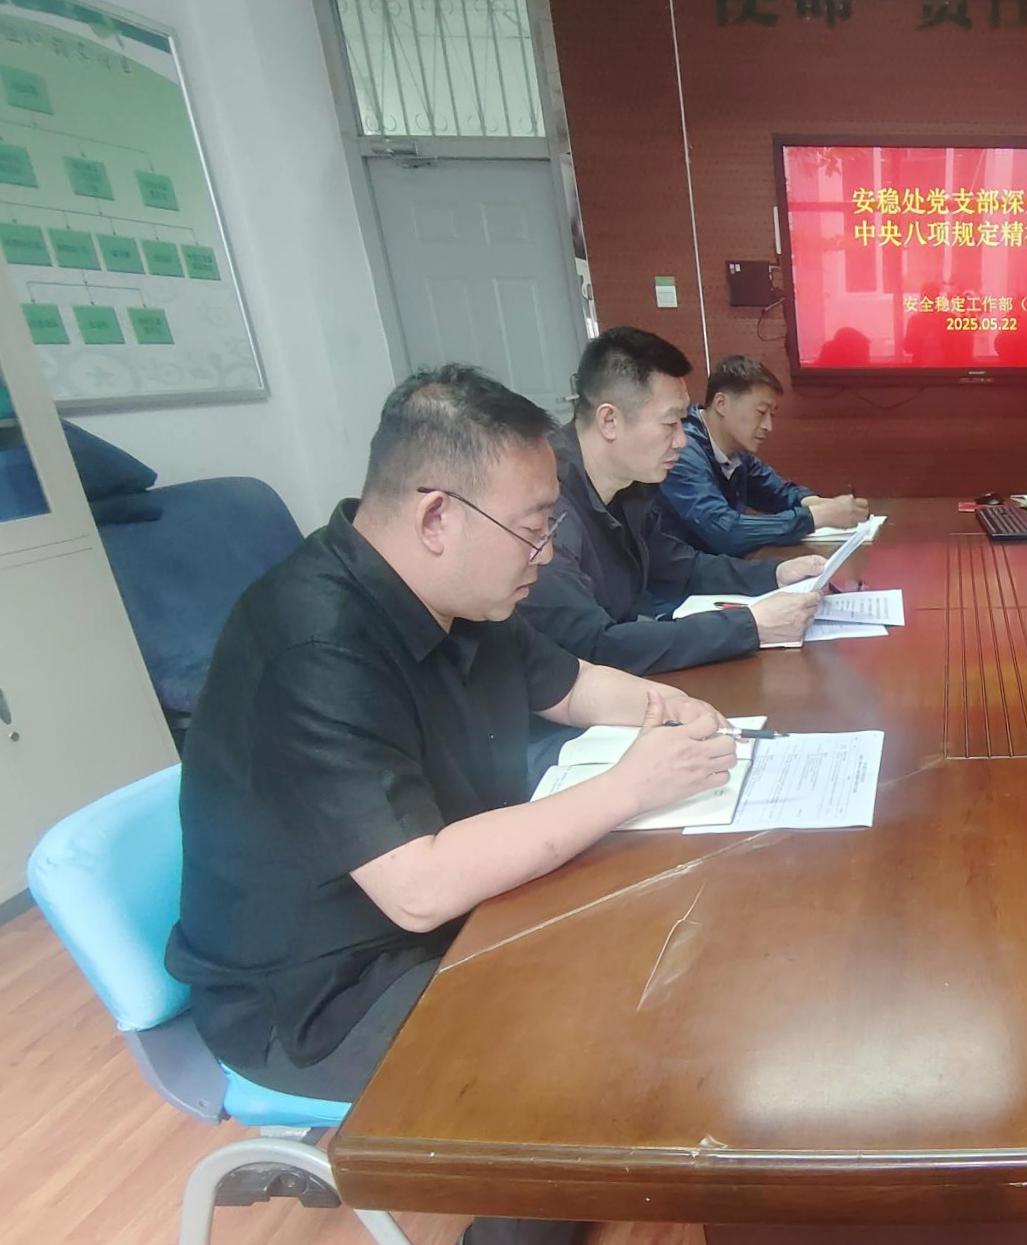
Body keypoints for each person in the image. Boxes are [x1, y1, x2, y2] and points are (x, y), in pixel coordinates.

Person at [168, 365, 739, 1245]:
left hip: (437, 921)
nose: (545, 552)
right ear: (438, 516)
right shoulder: (312, 644)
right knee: (588, 1022)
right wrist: (630, 786)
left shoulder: (458, 593)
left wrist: (677, 712)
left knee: (658, 937)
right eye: (532, 527)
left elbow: (571, 684)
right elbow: (419, 887)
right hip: (320, 994)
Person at [521, 327, 825, 678]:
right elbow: (594, 646)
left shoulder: (630, 484)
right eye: (671, 423)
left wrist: (775, 574)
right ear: (609, 421)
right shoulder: (544, 505)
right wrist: (751, 626)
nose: (682, 441)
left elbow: (681, 567)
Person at [659, 354, 869, 555]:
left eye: (772, 415)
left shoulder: (736, 452)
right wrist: (816, 517)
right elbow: (726, 532)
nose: (768, 426)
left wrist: (817, 503)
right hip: (681, 577)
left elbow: (778, 492)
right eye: (760, 412)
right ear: (721, 404)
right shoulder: (681, 452)